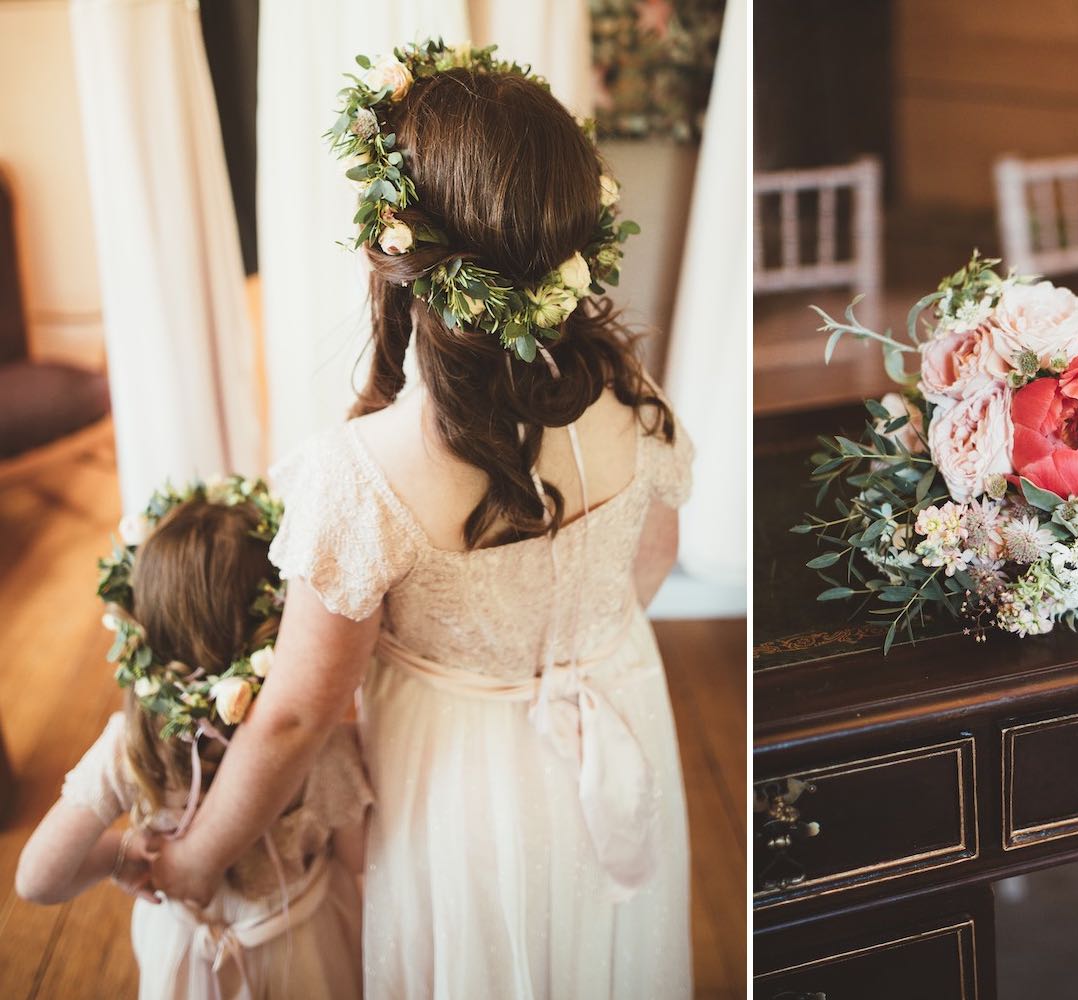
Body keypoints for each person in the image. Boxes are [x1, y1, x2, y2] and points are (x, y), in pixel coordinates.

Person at [146, 41, 694, 998]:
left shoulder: (362, 478)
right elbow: (655, 556)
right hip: (620, 715)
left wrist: (195, 858)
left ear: (391, 251)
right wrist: (568, 641)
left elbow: (295, 718)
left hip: (462, 776)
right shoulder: (631, 397)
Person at [16, 487, 369, 999]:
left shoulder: (130, 747)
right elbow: (357, 857)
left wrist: (118, 854)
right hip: (305, 951)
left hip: (183, 954)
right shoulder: (320, 746)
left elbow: (37, 881)